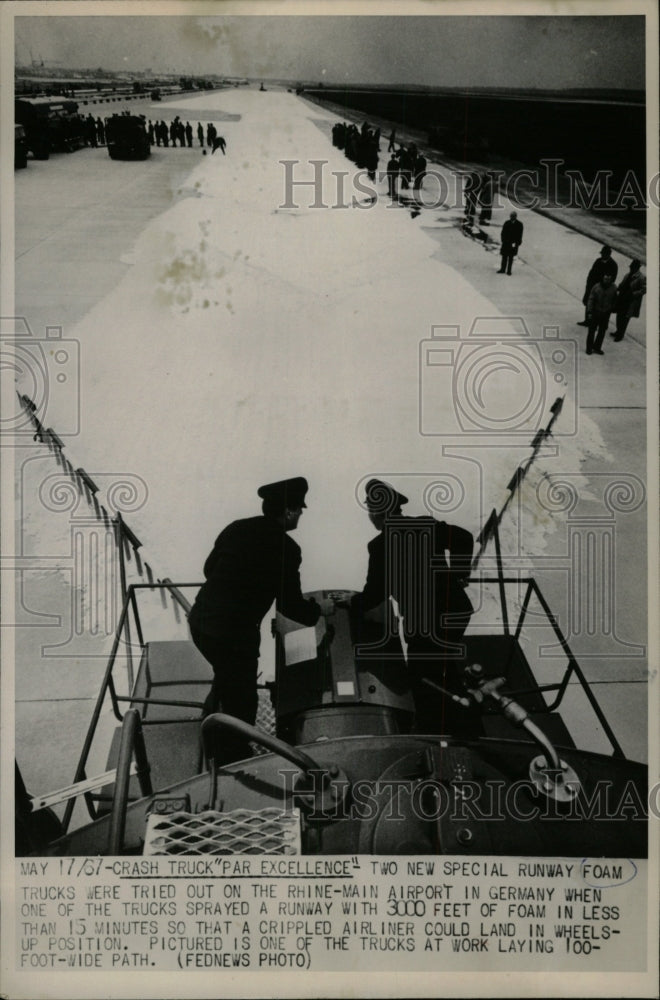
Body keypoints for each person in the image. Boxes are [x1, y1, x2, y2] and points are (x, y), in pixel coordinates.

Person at [188, 478, 333, 765]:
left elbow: (208, 569)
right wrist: (321, 609)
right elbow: (292, 606)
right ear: (290, 512)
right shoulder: (287, 549)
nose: (301, 515)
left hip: (202, 621)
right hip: (233, 636)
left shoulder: (236, 528)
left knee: (226, 678)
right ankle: (232, 762)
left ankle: (212, 725)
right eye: (299, 510)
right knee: (243, 701)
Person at [352, 480, 475, 734]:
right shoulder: (424, 524)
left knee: (425, 678)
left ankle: (448, 734)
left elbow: (375, 593)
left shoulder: (379, 545)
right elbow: (464, 537)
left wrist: (349, 602)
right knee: (441, 667)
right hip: (456, 610)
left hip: (426, 622)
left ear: (377, 512)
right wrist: (459, 574)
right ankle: (461, 726)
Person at [578, 245, 618, 325]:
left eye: (604, 254)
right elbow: (591, 273)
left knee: (599, 305)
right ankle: (588, 320)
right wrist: (588, 284)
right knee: (589, 303)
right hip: (592, 287)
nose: (602, 255)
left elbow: (612, 279)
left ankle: (596, 322)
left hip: (602, 289)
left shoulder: (613, 265)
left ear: (608, 254)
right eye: (602, 254)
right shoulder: (598, 261)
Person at [613, 259, 646, 341]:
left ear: (637, 268)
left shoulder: (642, 277)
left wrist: (634, 294)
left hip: (630, 301)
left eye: (632, 267)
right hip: (622, 298)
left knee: (625, 318)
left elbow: (644, 289)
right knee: (619, 315)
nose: (631, 268)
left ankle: (620, 335)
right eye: (631, 267)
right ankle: (618, 331)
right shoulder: (628, 274)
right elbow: (622, 284)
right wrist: (618, 288)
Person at [586, 272, 617, 355]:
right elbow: (591, 299)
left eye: (609, 279)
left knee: (602, 331)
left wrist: (612, 308)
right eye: (605, 279)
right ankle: (589, 348)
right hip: (596, 312)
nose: (607, 281)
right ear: (603, 278)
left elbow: (615, 299)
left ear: (611, 280)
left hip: (606, 313)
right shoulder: (596, 287)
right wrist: (589, 311)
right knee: (592, 331)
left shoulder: (614, 288)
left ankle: (597, 347)